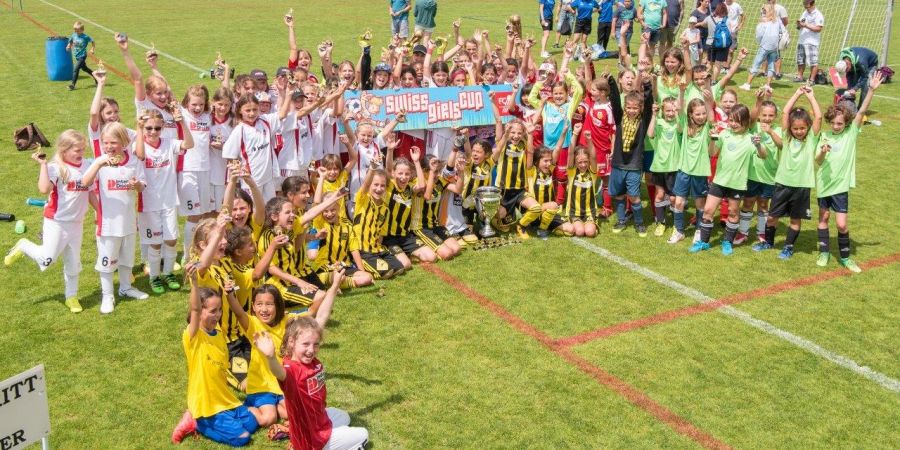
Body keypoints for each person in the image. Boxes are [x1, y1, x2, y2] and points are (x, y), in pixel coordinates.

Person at [5, 131, 91, 313]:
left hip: (77, 223)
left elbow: (90, 192)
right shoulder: (55, 167)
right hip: (57, 222)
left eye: (83, 149)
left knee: (73, 263)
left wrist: (101, 213)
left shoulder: (87, 165)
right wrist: (43, 165)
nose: (81, 153)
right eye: (77, 150)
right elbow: (44, 188)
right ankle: (23, 245)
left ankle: (71, 296)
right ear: (63, 150)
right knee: (47, 260)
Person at [253, 317, 369, 450]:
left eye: (316, 344)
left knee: (344, 417)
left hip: (315, 420)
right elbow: (279, 373)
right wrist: (271, 357)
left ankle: (291, 430)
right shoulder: (292, 370)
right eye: (305, 344)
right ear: (292, 342)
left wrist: (330, 294)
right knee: (363, 435)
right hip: (312, 439)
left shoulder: (309, 362)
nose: (311, 349)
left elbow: (321, 317)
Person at [172, 276, 259, 446]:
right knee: (242, 438)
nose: (218, 315)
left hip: (224, 400)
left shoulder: (218, 333)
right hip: (207, 405)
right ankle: (196, 422)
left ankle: (215, 420)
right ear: (199, 312)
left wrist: (229, 292)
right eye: (212, 311)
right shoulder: (194, 336)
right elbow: (195, 309)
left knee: (252, 424)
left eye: (219, 310)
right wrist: (195, 282)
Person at [815, 72, 882, 272]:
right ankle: (824, 252)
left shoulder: (851, 134)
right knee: (824, 218)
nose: (836, 126)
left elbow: (861, 112)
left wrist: (871, 89)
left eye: (840, 124)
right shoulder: (824, 136)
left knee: (842, 225)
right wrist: (823, 153)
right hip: (824, 182)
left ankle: (845, 258)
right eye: (834, 123)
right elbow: (817, 161)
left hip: (840, 185)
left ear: (846, 123)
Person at [80, 122, 149, 314]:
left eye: (114, 143)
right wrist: (98, 162)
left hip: (128, 221)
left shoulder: (134, 161)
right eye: (106, 143)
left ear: (125, 142)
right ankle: (107, 295)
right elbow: (85, 183)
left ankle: (126, 288)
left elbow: (143, 185)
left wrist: (137, 186)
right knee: (107, 260)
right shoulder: (100, 162)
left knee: (127, 258)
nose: (109, 147)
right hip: (107, 223)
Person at [752, 85, 821, 260]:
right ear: (790, 128)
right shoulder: (787, 137)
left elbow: (818, 116)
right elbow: (785, 113)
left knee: (795, 219)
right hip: (782, 183)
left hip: (802, 187)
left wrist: (811, 97)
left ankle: (789, 247)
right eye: (796, 128)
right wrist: (797, 94)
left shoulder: (811, 140)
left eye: (802, 128)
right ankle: (768, 242)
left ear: (808, 128)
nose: (799, 131)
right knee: (772, 216)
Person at [688, 104, 767, 255]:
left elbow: (763, 155)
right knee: (708, 210)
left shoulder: (751, 138)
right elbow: (712, 152)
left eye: (737, 121)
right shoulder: (724, 134)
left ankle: (727, 242)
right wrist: (713, 139)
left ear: (745, 121)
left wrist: (758, 145)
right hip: (719, 181)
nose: (733, 124)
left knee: (733, 212)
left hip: (737, 184)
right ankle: (703, 242)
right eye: (731, 120)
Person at [133, 110, 193, 295]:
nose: (152, 132)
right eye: (148, 128)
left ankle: (168, 273)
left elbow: (189, 144)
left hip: (168, 200)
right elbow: (141, 155)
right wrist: (139, 128)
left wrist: (182, 123)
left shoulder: (168, 143)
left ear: (163, 128)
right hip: (148, 202)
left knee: (171, 239)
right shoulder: (139, 144)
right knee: (155, 242)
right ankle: (154, 277)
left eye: (157, 128)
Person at [607, 72, 654, 236]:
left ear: (639, 108)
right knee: (619, 195)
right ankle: (621, 220)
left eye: (635, 108)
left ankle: (639, 223)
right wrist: (611, 82)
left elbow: (649, 105)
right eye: (629, 107)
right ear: (625, 107)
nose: (632, 110)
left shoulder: (643, 121)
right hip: (618, 163)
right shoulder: (620, 118)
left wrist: (647, 86)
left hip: (634, 165)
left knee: (634, 196)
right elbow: (614, 101)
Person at [735, 89, 782, 245]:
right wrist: (759, 101)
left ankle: (761, 232)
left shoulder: (778, 130)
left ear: (775, 116)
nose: (767, 118)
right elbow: (752, 117)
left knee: (763, 205)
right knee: (748, 203)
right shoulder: (754, 127)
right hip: (752, 174)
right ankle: (742, 232)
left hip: (769, 175)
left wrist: (771, 133)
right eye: (764, 115)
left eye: (771, 115)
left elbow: (782, 145)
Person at [740, 4, 784, 91]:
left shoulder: (763, 22)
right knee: (771, 65)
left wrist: (761, 42)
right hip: (774, 47)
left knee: (756, 64)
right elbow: (781, 31)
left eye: (763, 10)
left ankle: (748, 84)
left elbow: (759, 35)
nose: (762, 11)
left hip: (764, 46)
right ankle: (768, 85)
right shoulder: (777, 21)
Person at [794, 0, 824, 84]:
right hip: (802, 40)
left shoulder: (818, 15)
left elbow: (819, 28)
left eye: (806, 4)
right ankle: (800, 76)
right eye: (804, 4)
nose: (805, 6)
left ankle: (812, 80)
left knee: (813, 62)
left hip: (812, 42)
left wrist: (806, 25)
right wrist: (799, 24)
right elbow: (800, 25)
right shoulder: (805, 13)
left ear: (812, 3)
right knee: (800, 60)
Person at [66, 21, 95, 91]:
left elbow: (92, 41)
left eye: (78, 30)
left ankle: (72, 85)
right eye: (75, 30)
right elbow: (71, 41)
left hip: (82, 56)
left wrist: (92, 49)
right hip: (77, 56)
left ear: (82, 30)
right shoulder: (74, 35)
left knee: (76, 69)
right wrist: (68, 46)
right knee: (85, 69)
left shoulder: (85, 37)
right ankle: (96, 77)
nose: (76, 32)